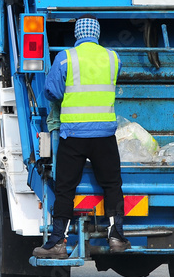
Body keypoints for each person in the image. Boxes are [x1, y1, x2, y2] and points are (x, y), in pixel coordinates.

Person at [33, 16, 129, 259]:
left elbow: (51, 91)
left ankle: (57, 242)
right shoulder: (112, 57)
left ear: (77, 34)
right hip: (104, 135)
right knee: (112, 185)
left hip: (73, 135)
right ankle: (116, 236)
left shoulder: (66, 57)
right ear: (97, 34)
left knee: (65, 188)